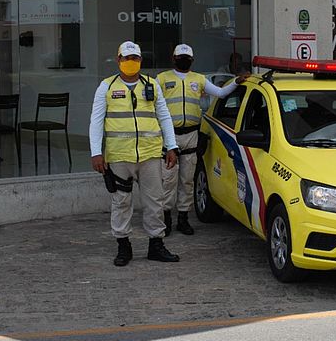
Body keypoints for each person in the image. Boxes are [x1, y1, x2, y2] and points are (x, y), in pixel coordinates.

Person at [89, 41, 180, 266]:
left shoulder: (152, 85)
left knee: (155, 201)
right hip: (119, 156)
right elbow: (96, 121)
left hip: (150, 155)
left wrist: (172, 146)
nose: (131, 63)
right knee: (121, 202)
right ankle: (123, 246)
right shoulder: (106, 87)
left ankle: (156, 245)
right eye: (127, 59)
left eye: (135, 59)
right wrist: (95, 152)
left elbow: (164, 117)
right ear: (119, 60)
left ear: (141, 60)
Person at [156, 44, 248, 235]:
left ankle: (183, 218)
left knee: (187, 180)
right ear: (173, 58)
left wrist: (237, 82)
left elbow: (221, 93)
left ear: (192, 60)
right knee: (168, 181)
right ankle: (165, 217)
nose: (184, 60)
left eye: (187, 58)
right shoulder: (162, 79)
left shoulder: (198, 79)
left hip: (191, 134)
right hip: (169, 136)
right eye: (181, 57)